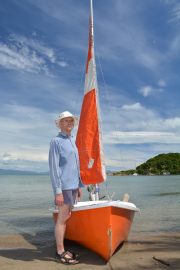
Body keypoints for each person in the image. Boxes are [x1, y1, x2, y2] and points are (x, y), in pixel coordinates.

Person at [49, 111, 83, 265]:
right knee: (62, 219)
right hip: (63, 187)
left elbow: (74, 166)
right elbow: (54, 168)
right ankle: (60, 251)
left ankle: (62, 248)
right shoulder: (56, 141)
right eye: (65, 121)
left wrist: (79, 185)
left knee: (67, 216)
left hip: (73, 186)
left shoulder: (72, 141)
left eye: (71, 121)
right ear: (60, 123)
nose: (69, 123)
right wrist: (58, 191)